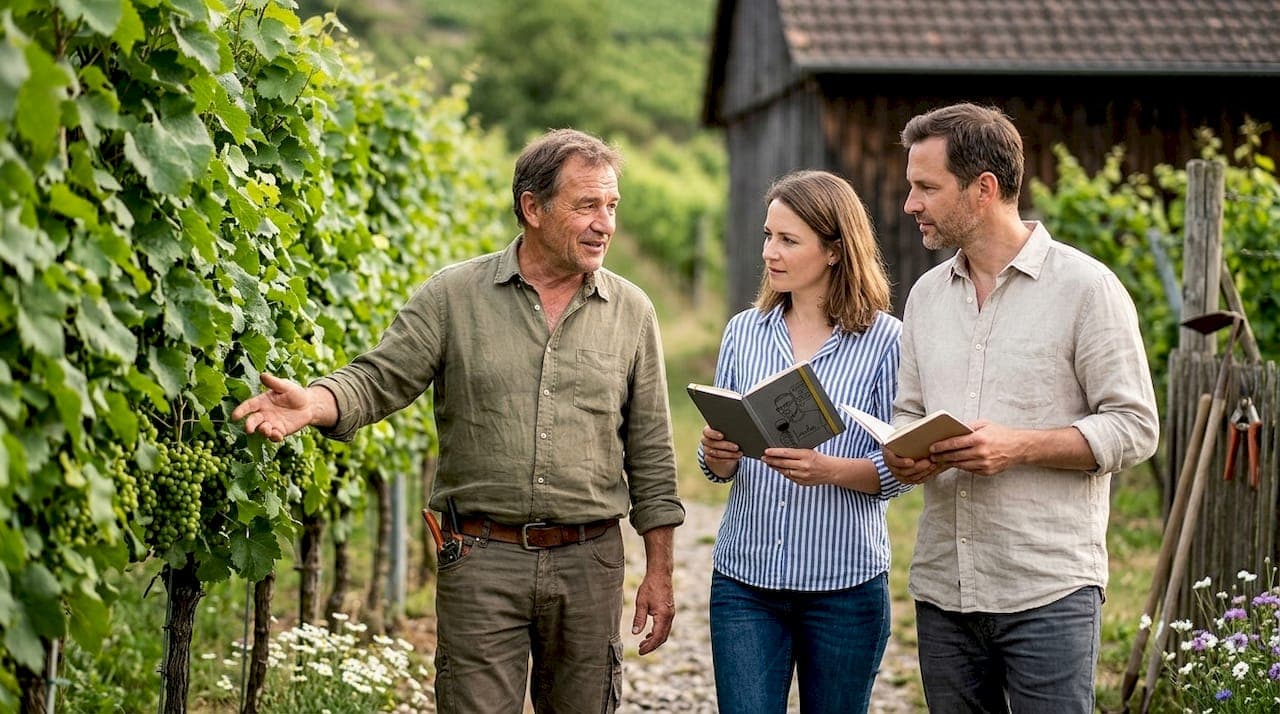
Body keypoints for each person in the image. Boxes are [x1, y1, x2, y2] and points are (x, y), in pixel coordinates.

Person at [231, 128, 685, 713]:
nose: (605, 223)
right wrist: (315, 403)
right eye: (586, 206)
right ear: (533, 209)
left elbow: (651, 450)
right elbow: (379, 377)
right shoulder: (453, 296)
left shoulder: (632, 311)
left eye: (612, 206)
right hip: (481, 558)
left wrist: (660, 572)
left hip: (589, 563)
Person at [887, 103, 1159, 713]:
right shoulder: (927, 297)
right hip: (942, 591)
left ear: (983, 189)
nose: (911, 204)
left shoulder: (1087, 289)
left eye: (926, 187)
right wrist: (908, 454)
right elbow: (908, 412)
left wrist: (1017, 446)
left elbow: (1136, 428)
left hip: (1048, 591)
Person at [698, 170, 909, 713]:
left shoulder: (887, 342)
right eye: (768, 236)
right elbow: (719, 464)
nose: (771, 251)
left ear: (835, 250)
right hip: (746, 581)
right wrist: (716, 456)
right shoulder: (744, 330)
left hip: (845, 585)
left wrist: (830, 470)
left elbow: (904, 466)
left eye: (789, 240)